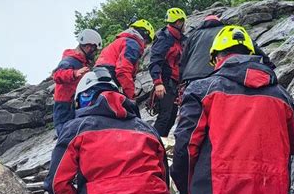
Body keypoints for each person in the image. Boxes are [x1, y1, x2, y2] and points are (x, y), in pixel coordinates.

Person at [172, 25, 294, 194]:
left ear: (217, 58)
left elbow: (186, 146)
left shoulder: (202, 89)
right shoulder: (282, 96)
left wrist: (185, 191)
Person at [44, 67, 170, 194]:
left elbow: (56, 184)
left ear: (82, 99)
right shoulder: (147, 129)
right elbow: (163, 178)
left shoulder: (76, 129)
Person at [180, 15, 275, 84]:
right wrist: (268, 64)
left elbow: (183, 60)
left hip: (192, 78)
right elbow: (252, 47)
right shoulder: (226, 32)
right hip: (218, 74)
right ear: (218, 21)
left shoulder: (193, 35)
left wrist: (180, 79)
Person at [52, 29, 102, 136]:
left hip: (75, 102)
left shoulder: (82, 62)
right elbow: (57, 75)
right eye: (95, 51)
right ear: (88, 47)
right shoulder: (70, 60)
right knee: (67, 136)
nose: (95, 54)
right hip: (64, 106)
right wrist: (74, 73)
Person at [148, 7, 186, 141]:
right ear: (179, 23)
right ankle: (152, 143)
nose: (185, 26)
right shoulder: (165, 38)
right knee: (165, 116)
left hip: (174, 84)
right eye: (184, 23)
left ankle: (161, 144)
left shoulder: (179, 40)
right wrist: (158, 83)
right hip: (165, 82)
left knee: (171, 116)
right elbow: (155, 62)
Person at [95, 19, 155, 100]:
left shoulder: (121, 41)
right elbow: (123, 71)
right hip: (108, 77)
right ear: (143, 35)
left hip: (99, 76)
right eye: (146, 42)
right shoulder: (132, 44)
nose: (145, 46)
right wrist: (131, 97)